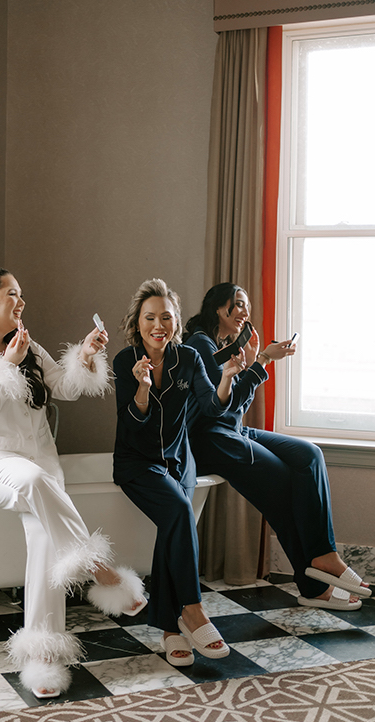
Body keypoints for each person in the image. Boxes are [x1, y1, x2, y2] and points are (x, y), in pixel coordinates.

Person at [0, 266, 147, 699]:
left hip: (36, 472)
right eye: (12, 294)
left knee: (46, 537)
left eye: (21, 294)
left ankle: (44, 658)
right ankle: (99, 569)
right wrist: (7, 366)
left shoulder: (27, 347)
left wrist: (86, 354)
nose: (21, 302)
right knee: (35, 481)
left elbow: (64, 387)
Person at [184, 282, 371, 611]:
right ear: (217, 307)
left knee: (309, 455)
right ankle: (315, 584)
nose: (245, 312)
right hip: (211, 440)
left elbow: (235, 408)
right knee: (285, 488)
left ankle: (324, 557)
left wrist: (260, 360)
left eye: (247, 306)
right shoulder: (200, 344)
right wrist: (261, 362)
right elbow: (220, 404)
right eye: (238, 304)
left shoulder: (223, 345)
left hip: (231, 430)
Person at [113, 278, 250, 667]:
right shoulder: (126, 362)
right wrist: (141, 388)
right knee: (177, 514)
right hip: (137, 464)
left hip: (179, 462)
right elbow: (132, 425)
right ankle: (192, 610)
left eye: (167, 317)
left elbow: (211, 406)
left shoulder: (187, 357)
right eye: (150, 317)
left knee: (171, 528)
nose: (159, 325)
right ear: (137, 322)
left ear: (175, 321)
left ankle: (170, 631)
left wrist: (226, 378)